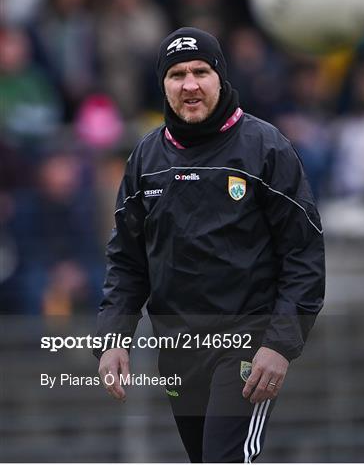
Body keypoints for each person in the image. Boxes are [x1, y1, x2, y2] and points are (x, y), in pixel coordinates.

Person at [94, 27, 325, 463]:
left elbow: (304, 254)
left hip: (247, 342)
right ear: (163, 85)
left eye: (201, 71)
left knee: (225, 457)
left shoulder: (265, 148)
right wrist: (113, 337)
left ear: (220, 76)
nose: (190, 85)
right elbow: (126, 261)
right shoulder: (146, 160)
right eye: (177, 74)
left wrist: (279, 344)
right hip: (179, 349)